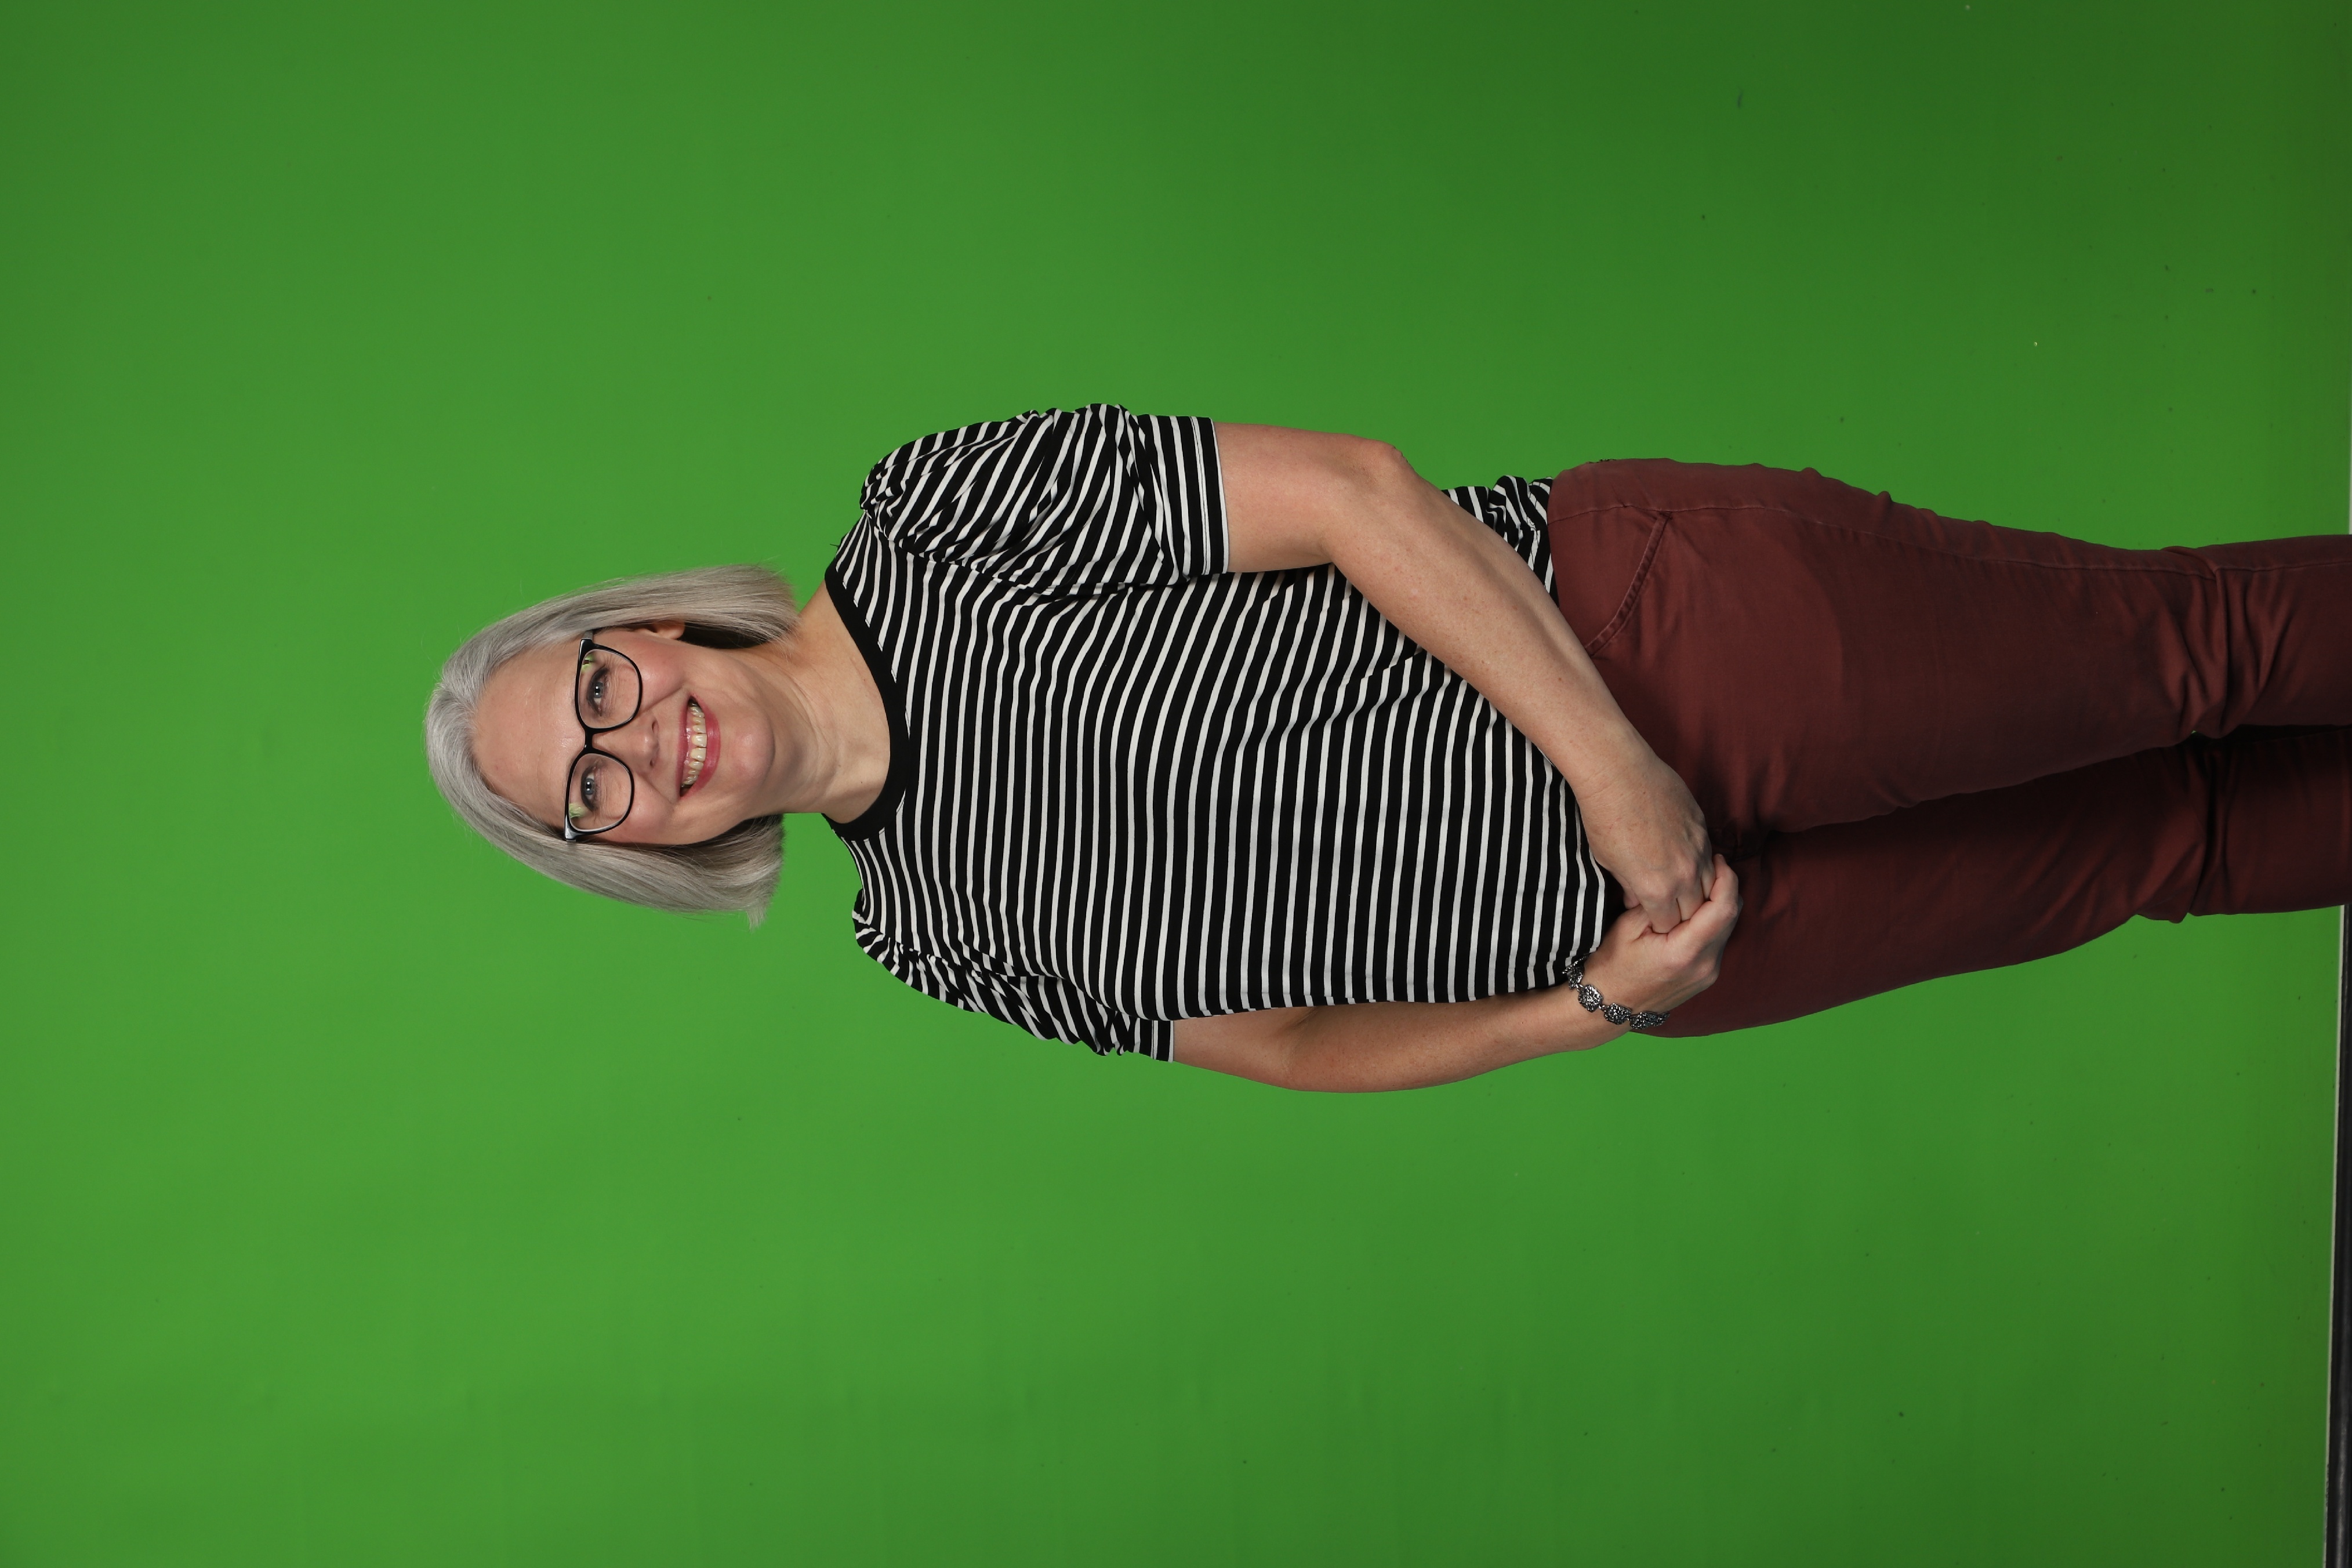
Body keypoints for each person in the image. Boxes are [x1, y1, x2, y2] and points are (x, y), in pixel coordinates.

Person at [426, 405, 2352, 1091]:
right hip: (1681, 935)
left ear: (645, 626)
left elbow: (1353, 496)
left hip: (1664, 645)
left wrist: (1616, 771)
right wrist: (1595, 1005)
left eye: (597, 688)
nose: (639, 747)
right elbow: (1282, 1045)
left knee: (2190, 657)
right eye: (590, 794)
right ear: (631, 852)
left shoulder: (933, 517)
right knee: (2167, 854)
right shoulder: (924, 932)